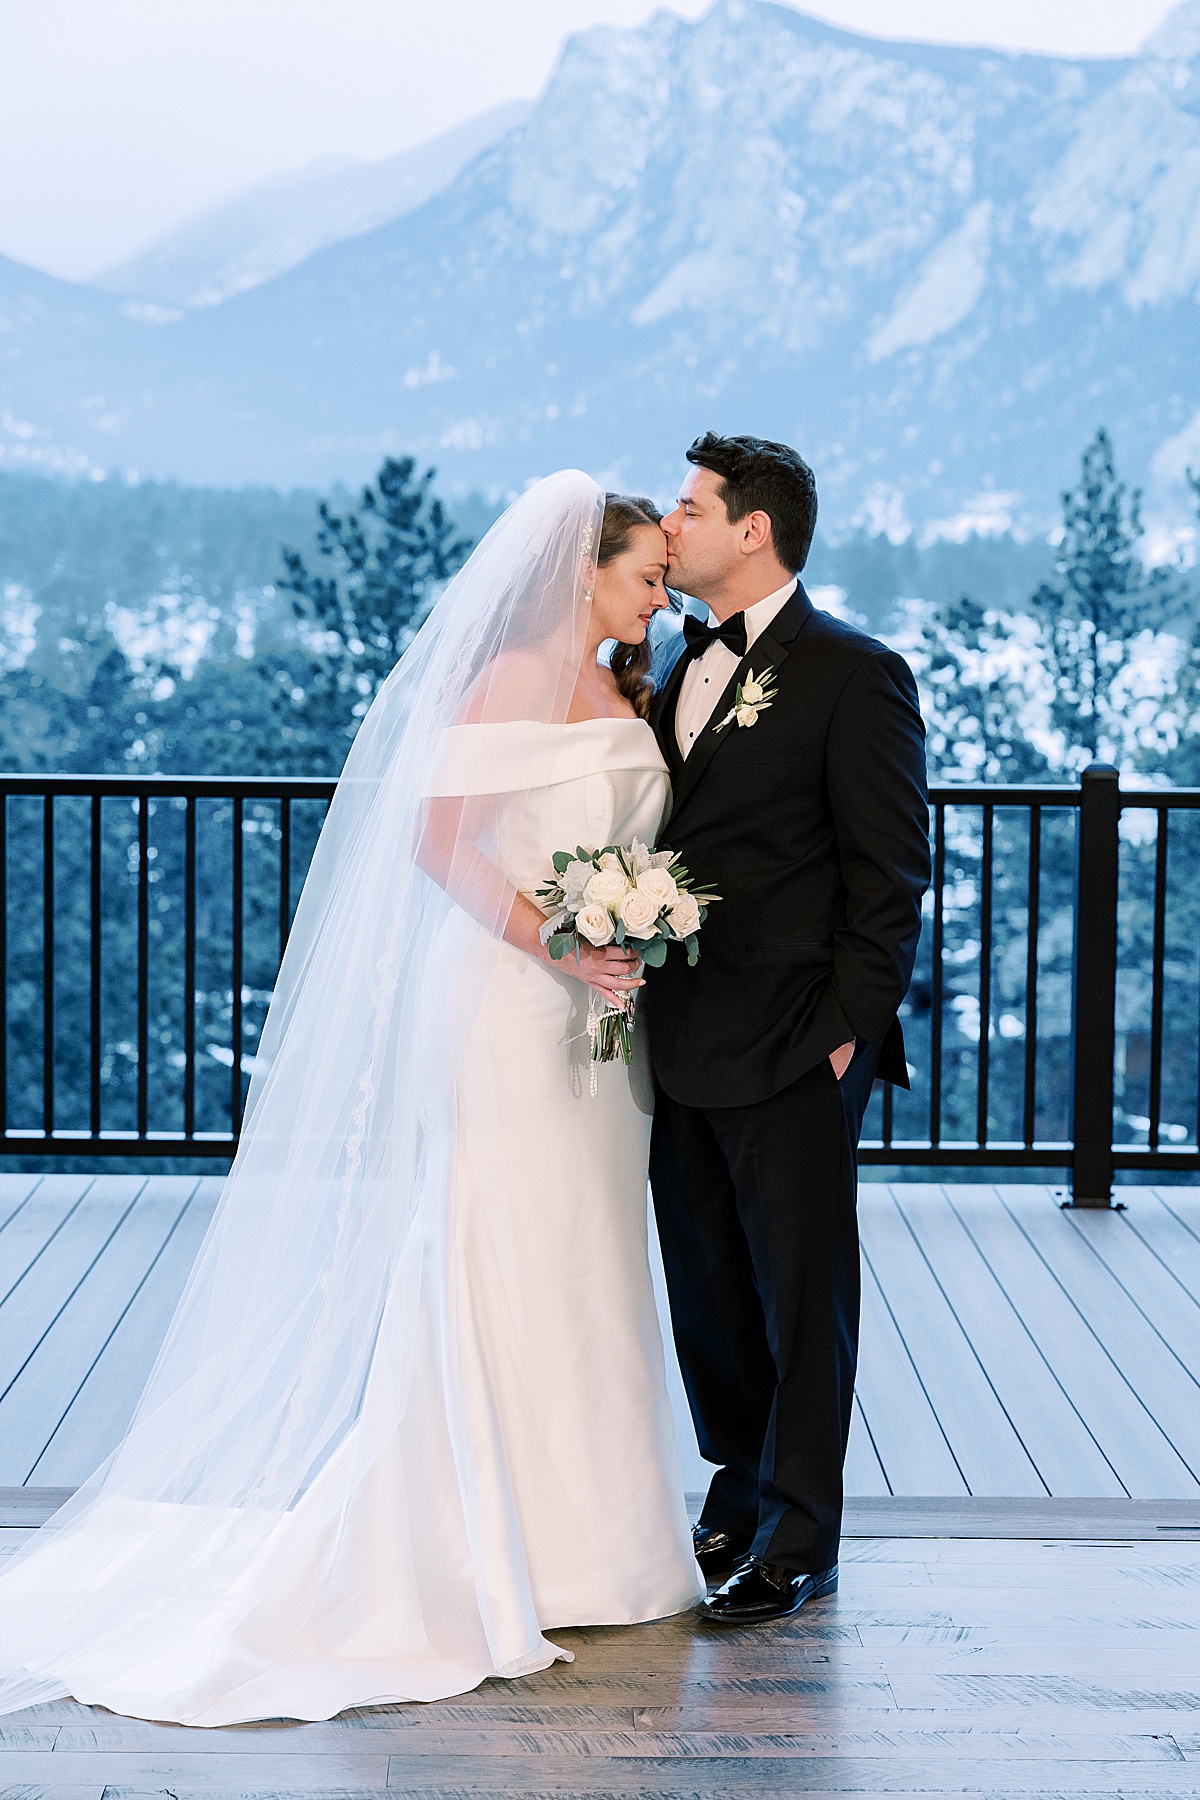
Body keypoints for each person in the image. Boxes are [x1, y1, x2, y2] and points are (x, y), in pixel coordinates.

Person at [0, 473, 703, 1727]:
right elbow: (440, 844)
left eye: (661, 574)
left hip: (602, 1015)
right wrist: (566, 943)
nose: (661, 593)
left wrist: (627, 942)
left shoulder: (620, 686)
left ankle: (597, 1543)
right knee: (500, 1245)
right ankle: (495, 1537)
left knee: (588, 1254)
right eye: (644, 572)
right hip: (505, 1001)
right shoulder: (508, 684)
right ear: (575, 574)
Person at [647, 432, 930, 1624]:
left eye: (689, 507)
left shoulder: (854, 674)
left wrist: (844, 1038)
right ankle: (740, 1479)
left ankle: (802, 1532)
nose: (671, 526)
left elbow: (890, 874)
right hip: (678, 1037)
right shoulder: (671, 664)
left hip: (797, 1046)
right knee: (707, 1283)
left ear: (749, 531)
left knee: (803, 1295)